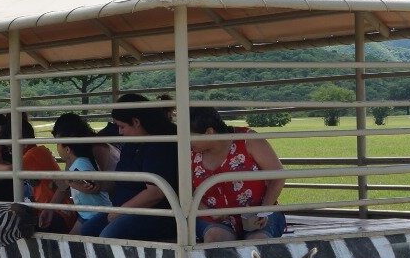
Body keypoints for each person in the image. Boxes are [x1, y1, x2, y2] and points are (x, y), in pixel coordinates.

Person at [79, 94, 179, 242]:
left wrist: (121, 211)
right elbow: (121, 178)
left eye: (122, 126)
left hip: (156, 214)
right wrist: (97, 186)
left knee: (108, 235)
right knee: (87, 230)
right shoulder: (132, 143)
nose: (120, 132)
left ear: (136, 122)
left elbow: (155, 193)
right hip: (125, 209)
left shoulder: (160, 145)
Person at [190, 107, 287, 242]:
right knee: (215, 238)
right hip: (213, 219)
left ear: (209, 132)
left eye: (190, 135)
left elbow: (278, 176)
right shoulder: (189, 151)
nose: (186, 141)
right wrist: (206, 211)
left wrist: (264, 210)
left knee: (258, 240)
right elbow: (186, 189)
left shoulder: (249, 140)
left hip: (259, 213)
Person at [43, 116, 113, 233]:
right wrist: (50, 209)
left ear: (68, 147)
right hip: (87, 211)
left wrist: (75, 183)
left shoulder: (96, 150)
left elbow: (97, 185)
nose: (57, 148)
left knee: (85, 233)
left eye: (59, 143)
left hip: (101, 208)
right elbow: (66, 183)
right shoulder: (75, 156)